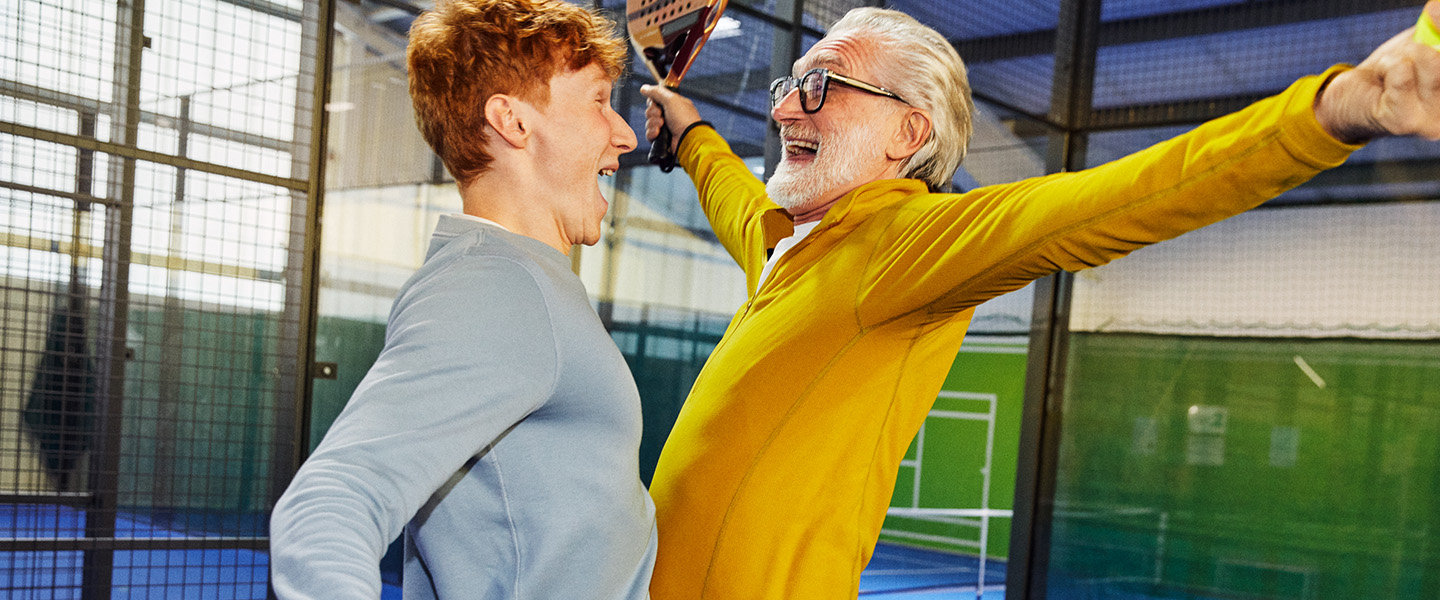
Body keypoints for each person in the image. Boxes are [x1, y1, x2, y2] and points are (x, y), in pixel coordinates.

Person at [638, 4, 1440, 599]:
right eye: (790, 85)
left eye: (820, 87)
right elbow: (734, 196)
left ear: (907, 135)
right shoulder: (785, 248)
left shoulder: (905, 247)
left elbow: (1121, 198)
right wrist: (690, 129)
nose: (784, 109)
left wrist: (1340, 108)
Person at [269, 1, 655, 598]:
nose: (624, 133)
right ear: (513, 121)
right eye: (599, 100)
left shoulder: (520, 278)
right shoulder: (498, 287)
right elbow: (335, 496)